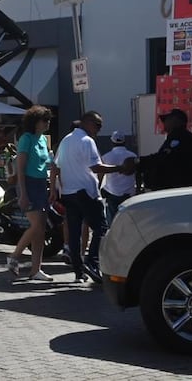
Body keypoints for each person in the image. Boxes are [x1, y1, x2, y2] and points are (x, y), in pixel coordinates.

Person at [50, 111, 133, 283]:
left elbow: (56, 166)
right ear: (86, 122)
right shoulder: (87, 141)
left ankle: (79, 272)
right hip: (86, 193)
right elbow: (96, 167)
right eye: (97, 125)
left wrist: (54, 189)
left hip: (69, 193)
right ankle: (92, 261)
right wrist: (119, 168)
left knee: (74, 234)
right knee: (101, 229)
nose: (99, 129)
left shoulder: (66, 141)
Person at [6, 106, 54, 281]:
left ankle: (36, 269)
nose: (48, 123)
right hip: (28, 184)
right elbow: (20, 166)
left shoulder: (42, 140)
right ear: (36, 121)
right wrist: (23, 193)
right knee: (36, 226)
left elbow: (48, 163)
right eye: (45, 120)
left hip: (41, 184)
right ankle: (15, 256)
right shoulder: (26, 138)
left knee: (41, 230)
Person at [136, 108, 192, 190]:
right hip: (173, 190)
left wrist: (139, 162)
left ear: (176, 120)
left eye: (167, 119)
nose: (164, 122)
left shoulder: (180, 137)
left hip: (177, 190)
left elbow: (163, 158)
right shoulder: (176, 137)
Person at [100, 131, 137, 223]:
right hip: (129, 192)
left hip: (112, 192)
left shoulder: (105, 157)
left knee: (113, 221)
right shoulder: (133, 156)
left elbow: (100, 174)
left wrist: (99, 188)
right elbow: (138, 173)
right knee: (129, 220)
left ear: (112, 142)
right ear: (125, 142)